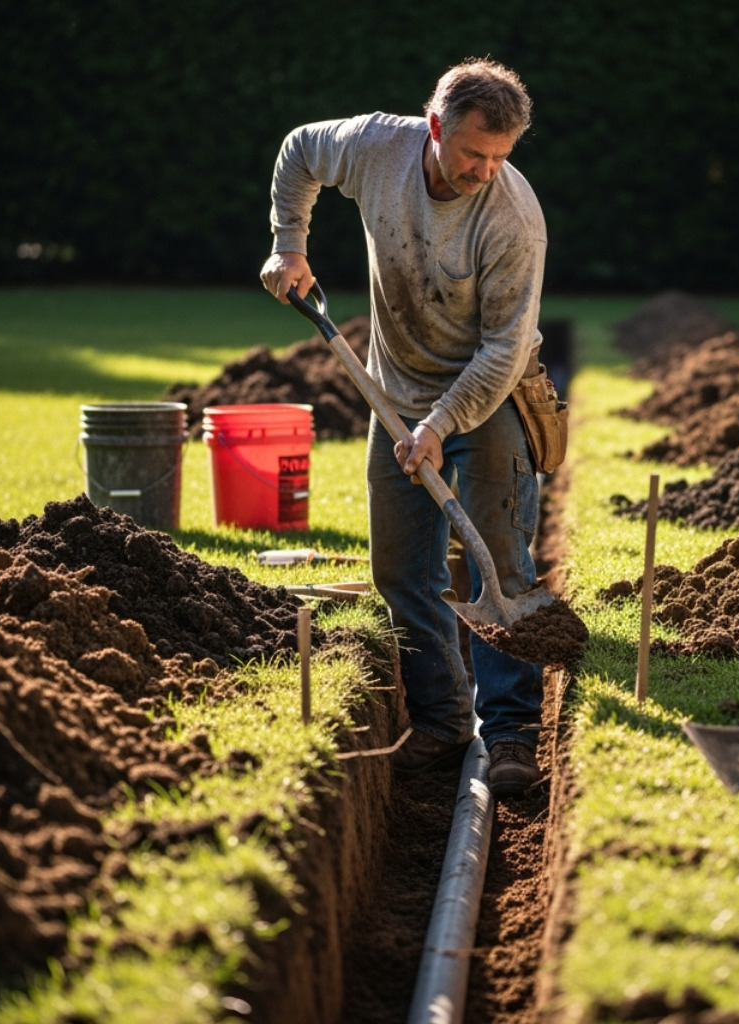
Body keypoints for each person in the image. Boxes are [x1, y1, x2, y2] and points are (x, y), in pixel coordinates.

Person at [260, 59, 547, 797]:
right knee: (401, 572)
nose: (486, 171)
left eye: (500, 158)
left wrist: (440, 424)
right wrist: (288, 243)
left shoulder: (514, 219)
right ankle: (445, 723)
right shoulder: (373, 147)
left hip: (491, 399)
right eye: (473, 153)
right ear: (434, 128)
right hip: (395, 393)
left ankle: (511, 731)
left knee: (501, 566)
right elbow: (298, 151)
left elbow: (502, 352)